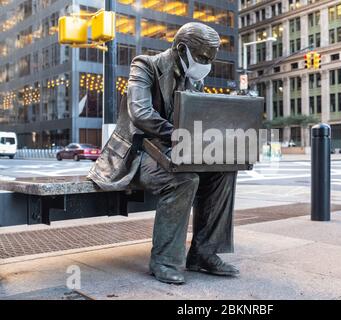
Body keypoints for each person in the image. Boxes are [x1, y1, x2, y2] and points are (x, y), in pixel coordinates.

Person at [88, 23, 239, 285]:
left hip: (174, 152)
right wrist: (181, 134)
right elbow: (141, 114)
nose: (207, 64)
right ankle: (164, 260)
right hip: (137, 155)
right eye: (203, 57)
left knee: (225, 170)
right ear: (181, 48)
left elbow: (197, 118)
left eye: (211, 59)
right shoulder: (144, 66)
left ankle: (204, 252)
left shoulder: (195, 79)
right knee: (184, 179)